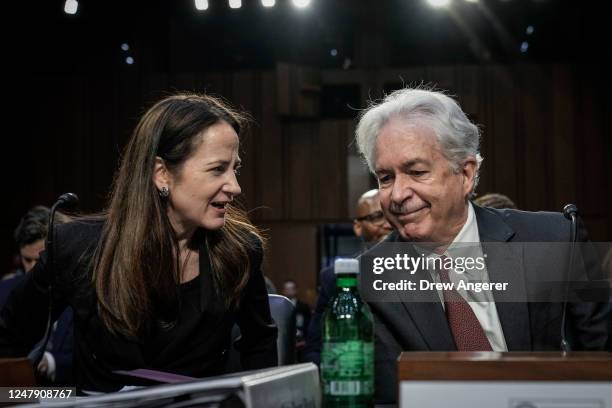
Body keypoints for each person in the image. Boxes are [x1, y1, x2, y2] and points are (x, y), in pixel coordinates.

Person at [0, 94, 278, 392]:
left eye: (234, 168)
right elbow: (9, 339)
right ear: (162, 174)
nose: (235, 186)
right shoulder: (76, 248)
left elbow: (259, 344)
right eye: (217, 169)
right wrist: (26, 399)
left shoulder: (241, 251)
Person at [354, 87, 611, 403]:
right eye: (385, 178)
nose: (397, 194)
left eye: (416, 172)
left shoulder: (557, 239)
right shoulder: (372, 278)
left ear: (465, 174)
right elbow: (390, 397)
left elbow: (603, 360)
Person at [303, 189, 392, 364]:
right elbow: (315, 350)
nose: (388, 224)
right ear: (358, 227)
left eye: (392, 215)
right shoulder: (335, 278)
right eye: (377, 216)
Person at [1, 206, 74, 385]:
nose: (34, 269)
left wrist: (51, 363)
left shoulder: (80, 292)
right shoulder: (3, 293)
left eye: (40, 259)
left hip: (68, 396)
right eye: (27, 260)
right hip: (14, 395)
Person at [280, 279, 311, 350]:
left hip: (301, 340)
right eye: (287, 289)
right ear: (283, 291)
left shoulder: (303, 306)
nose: (289, 291)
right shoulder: (279, 307)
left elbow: (308, 323)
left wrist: (305, 339)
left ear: (296, 290)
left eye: (291, 289)